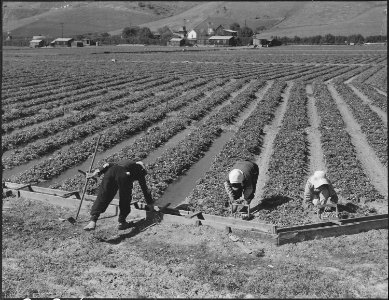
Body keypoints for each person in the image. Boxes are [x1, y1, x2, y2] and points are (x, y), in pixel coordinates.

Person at [83, 160, 154, 231]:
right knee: (125, 198)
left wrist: (96, 173)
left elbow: (106, 165)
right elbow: (145, 189)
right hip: (124, 175)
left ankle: (93, 221)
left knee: (103, 195)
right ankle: (122, 222)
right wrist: (150, 205)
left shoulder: (123, 162)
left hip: (110, 173)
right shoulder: (140, 169)